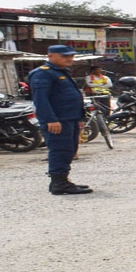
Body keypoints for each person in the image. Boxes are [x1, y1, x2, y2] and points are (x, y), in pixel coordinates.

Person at [29, 45, 91, 195]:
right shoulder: (43, 74)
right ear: (50, 56)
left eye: (71, 56)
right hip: (57, 120)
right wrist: (50, 119)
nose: (69, 59)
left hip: (70, 118)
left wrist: (79, 117)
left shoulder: (61, 72)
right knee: (60, 150)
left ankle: (62, 180)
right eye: (64, 56)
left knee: (69, 150)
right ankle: (59, 183)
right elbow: (41, 100)